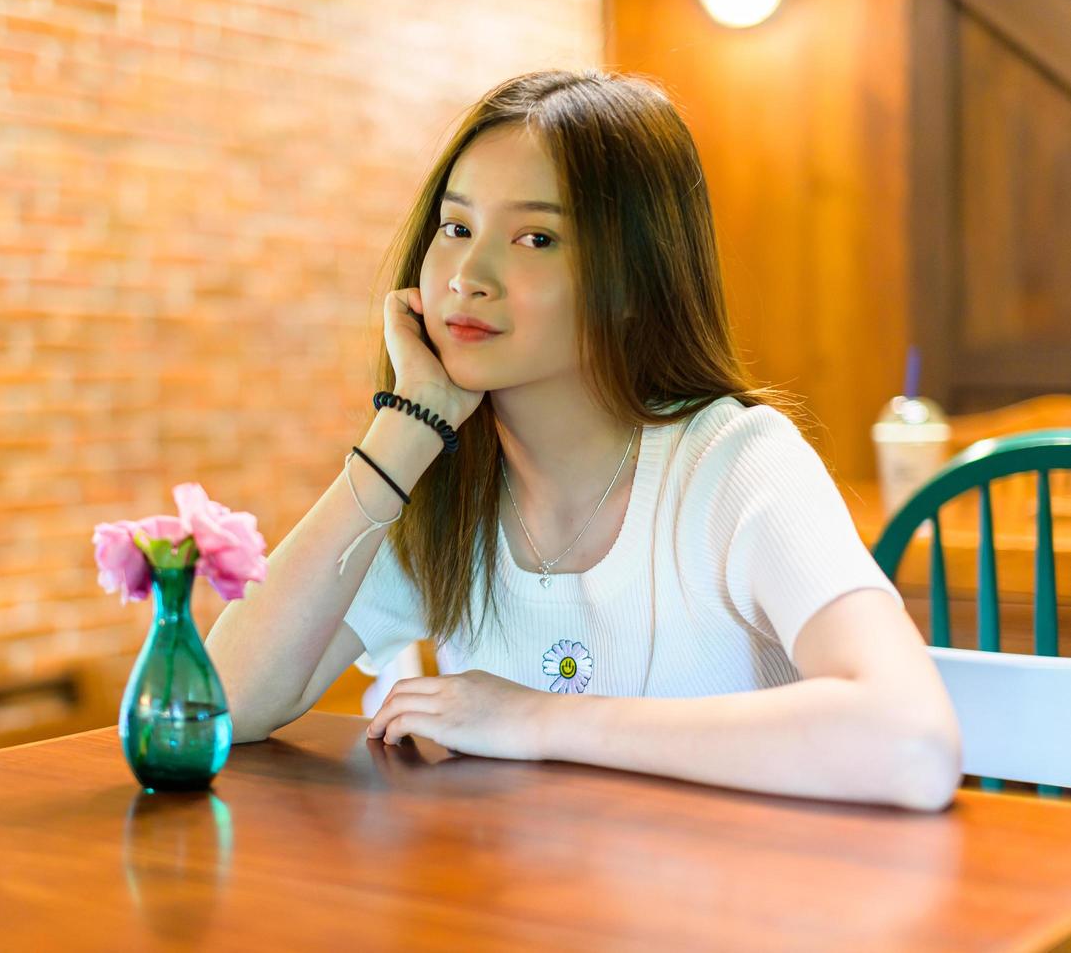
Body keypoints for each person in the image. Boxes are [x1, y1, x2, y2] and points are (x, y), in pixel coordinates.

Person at [204, 68, 961, 812]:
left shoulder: (736, 462)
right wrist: (405, 429)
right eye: (456, 228)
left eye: (535, 237)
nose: (468, 274)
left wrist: (535, 717)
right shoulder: (444, 486)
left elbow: (911, 744)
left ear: (634, 281)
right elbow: (218, 709)